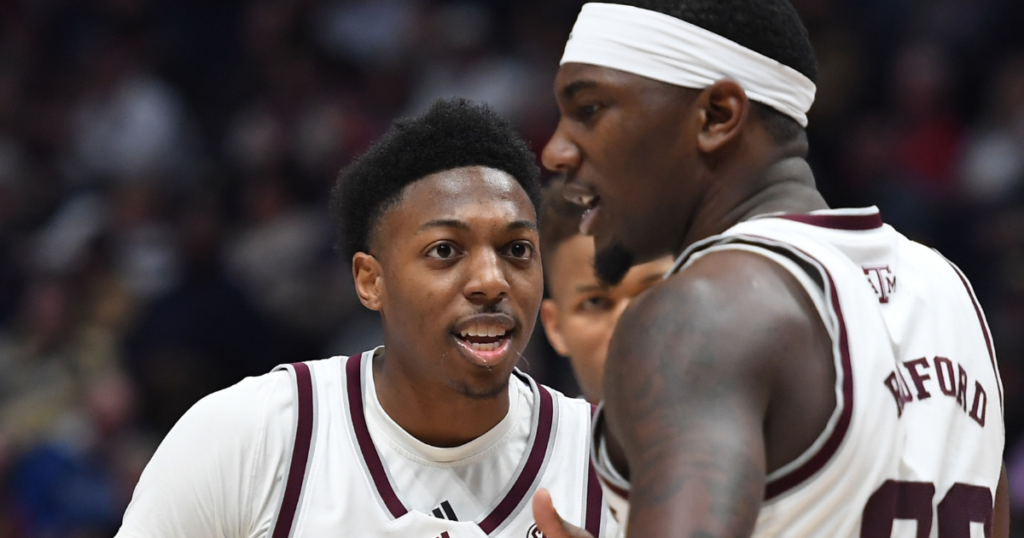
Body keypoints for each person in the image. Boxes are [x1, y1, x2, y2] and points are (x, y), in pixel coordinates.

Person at [531, 1, 1009, 537]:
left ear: (717, 115)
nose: (556, 150)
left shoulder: (700, 312)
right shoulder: (948, 291)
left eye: (590, 109)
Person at [115, 99, 617, 538]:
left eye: (516, 249)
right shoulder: (250, 436)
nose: (492, 280)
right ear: (370, 281)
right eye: (445, 249)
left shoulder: (621, 466)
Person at [538, 178, 673, 404]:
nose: (626, 324)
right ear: (555, 327)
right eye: (595, 302)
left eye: (652, 291)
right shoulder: (541, 439)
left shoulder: (753, 426)